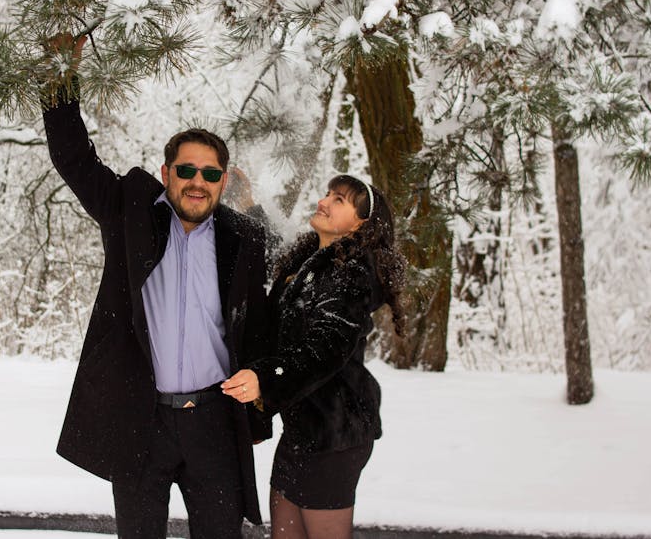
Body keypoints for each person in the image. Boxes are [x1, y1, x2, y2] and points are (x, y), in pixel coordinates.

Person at [41, 35, 269, 539]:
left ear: (223, 181)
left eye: (210, 173)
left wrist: (261, 377)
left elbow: (264, 318)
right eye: (186, 170)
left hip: (213, 422)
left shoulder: (242, 240)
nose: (197, 181)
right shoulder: (130, 214)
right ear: (166, 173)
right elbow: (74, 158)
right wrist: (61, 76)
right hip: (140, 419)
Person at [223, 175, 407, 539]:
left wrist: (266, 378)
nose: (324, 201)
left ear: (361, 223)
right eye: (327, 193)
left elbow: (327, 347)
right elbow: (273, 249)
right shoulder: (312, 258)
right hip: (302, 430)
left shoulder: (351, 274)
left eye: (339, 200)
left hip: (335, 433)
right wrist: (248, 204)